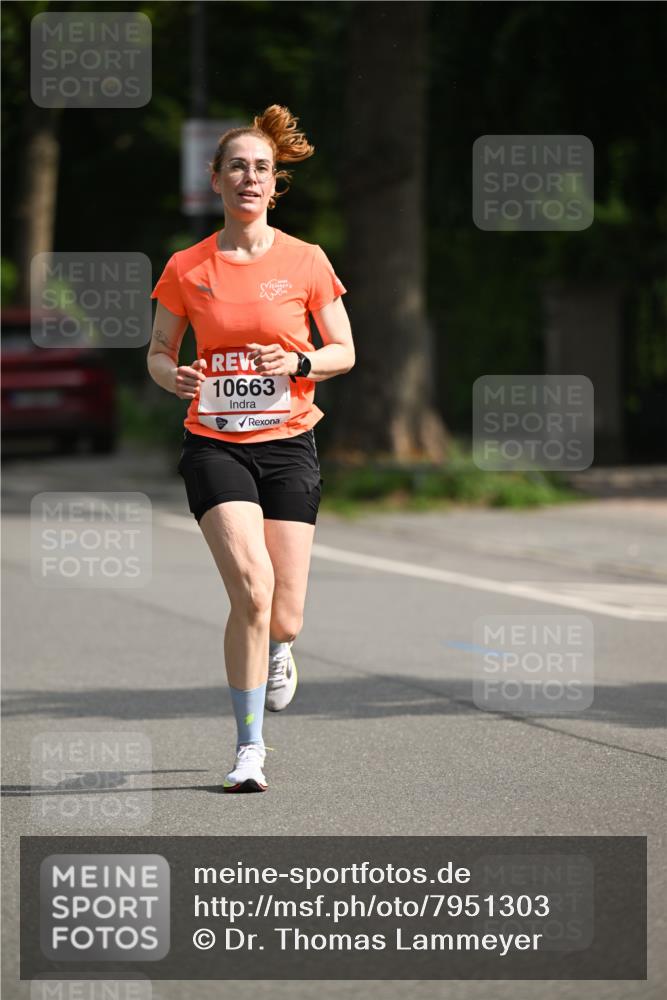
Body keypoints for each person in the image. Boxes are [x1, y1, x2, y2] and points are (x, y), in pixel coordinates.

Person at [147, 105, 354, 792]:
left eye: (261, 168)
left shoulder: (306, 260)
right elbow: (155, 352)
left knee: (284, 614)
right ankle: (248, 749)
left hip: (289, 441)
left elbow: (342, 351)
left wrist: (297, 364)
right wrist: (171, 374)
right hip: (215, 444)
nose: (249, 177)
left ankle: (280, 650)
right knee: (252, 592)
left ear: (275, 184)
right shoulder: (187, 266)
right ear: (216, 178)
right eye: (236, 165)